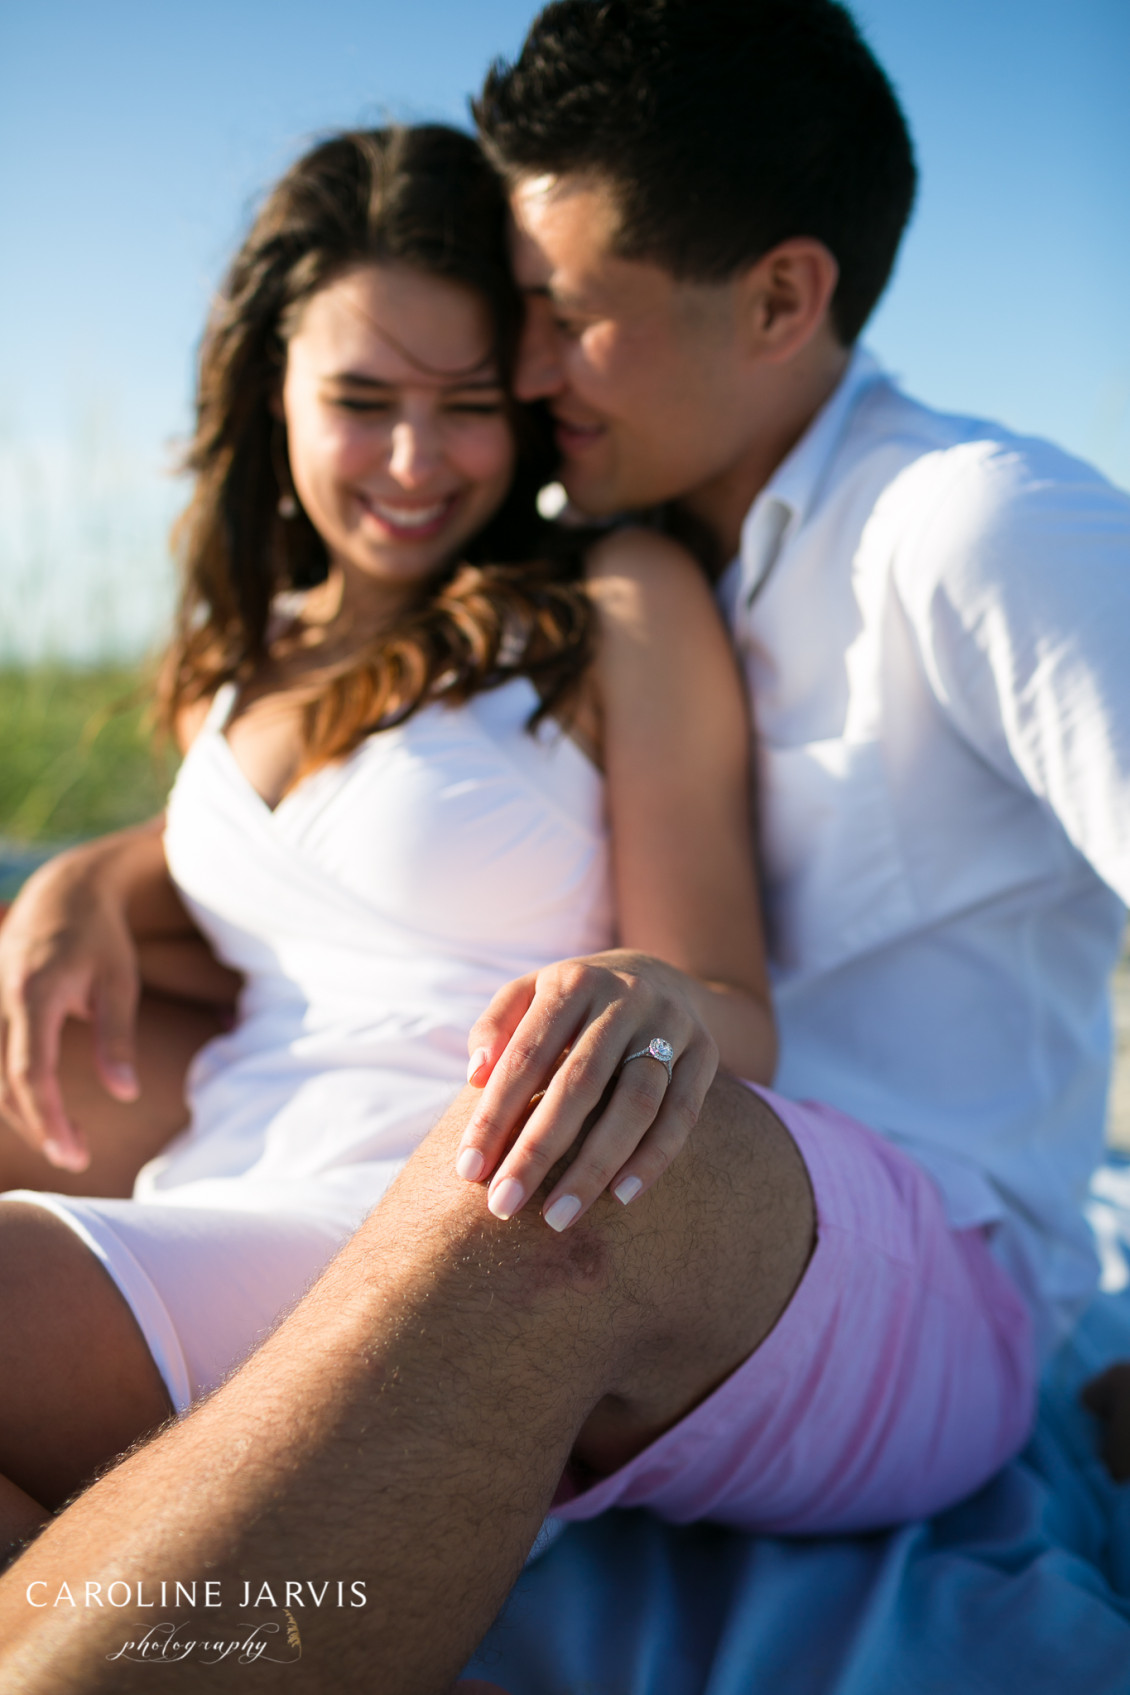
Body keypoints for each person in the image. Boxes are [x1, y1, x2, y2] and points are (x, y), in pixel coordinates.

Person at [2, 1, 1128, 1689]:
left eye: (568, 317)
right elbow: (379, 823)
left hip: (889, 1244)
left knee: (568, 1166)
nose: (525, 375)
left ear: (779, 300)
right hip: (663, 1179)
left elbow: (675, 967)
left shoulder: (968, 527)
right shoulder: (631, 538)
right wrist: (94, 876)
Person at [0, 121, 777, 1559]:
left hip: (426, 1221)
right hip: (214, 1175)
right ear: (271, 392)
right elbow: (273, 880)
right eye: (362, 400)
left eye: (466, 403)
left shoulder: (612, 601)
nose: (417, 460)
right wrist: (75, 878)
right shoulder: (256, 647)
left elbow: (732, 1007)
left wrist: (650, 997)